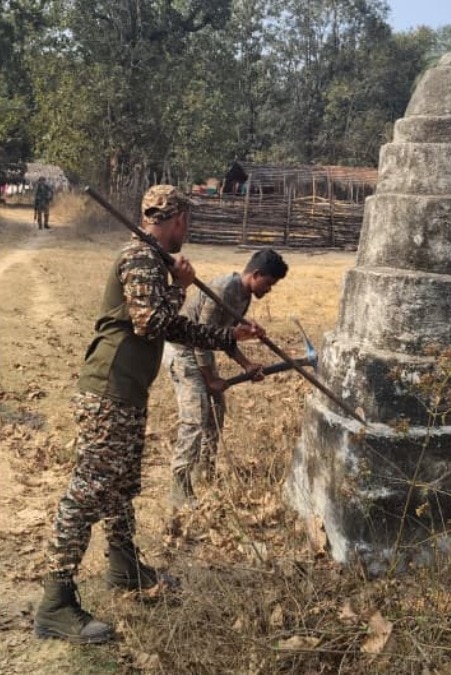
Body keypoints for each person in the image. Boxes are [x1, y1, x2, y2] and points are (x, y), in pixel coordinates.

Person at [34, 185, 265, 644]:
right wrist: (178, 288)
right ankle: (55, 603)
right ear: (176, 220)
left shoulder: (153, 262)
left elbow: (172, 324)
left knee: (120, 486)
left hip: (129, 391)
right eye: (187, 223)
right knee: (89, 490)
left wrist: (226, 337)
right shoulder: (141, 258)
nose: (188, 231)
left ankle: (123, 569)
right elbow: (151, 322)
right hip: (109, 390)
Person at [166, 249, 289, 507]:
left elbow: (224, 337)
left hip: (201, 349)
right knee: (197, 414)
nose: (269, 290)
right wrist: (210, 379)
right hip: (183, 349)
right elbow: (201, 338)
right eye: (268, 284)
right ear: (256, 275)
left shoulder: (244, 295)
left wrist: (246, 365)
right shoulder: (224, 289)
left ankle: (206, 471)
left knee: (216, 410)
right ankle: (180, 485)